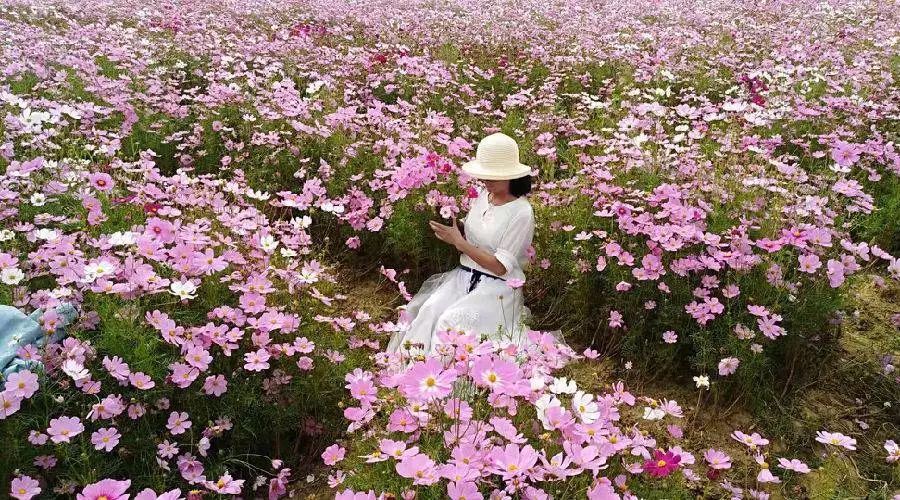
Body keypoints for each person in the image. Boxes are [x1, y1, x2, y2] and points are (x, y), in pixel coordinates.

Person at [386, 132, 535, 357]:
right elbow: (478, 230)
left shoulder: (521, 212)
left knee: (450, 322)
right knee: (429, 309)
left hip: (497, 287)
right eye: (484, 175)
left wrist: (459, 243)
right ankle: (414, 371)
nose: (486, 181)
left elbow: (499, 267)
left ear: (511, 175)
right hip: (464, 275)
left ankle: (444, 380)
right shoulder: (485, 195)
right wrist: (450, 223)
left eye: (493, 176)